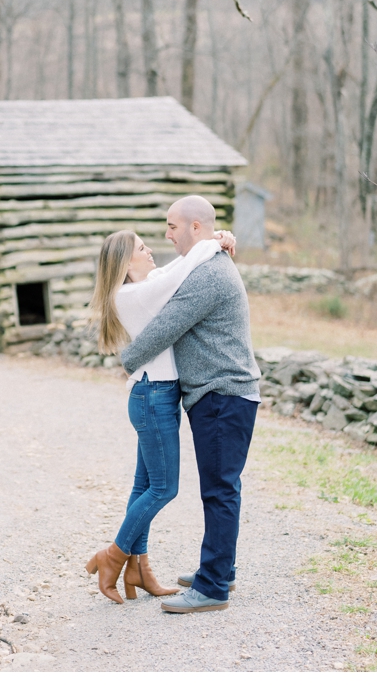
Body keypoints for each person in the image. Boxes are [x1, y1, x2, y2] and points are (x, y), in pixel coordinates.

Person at [118, 195, 262, 614]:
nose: (166, 234)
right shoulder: (206, 262)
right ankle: (219, 570)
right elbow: (166, 280)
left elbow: (166, 324)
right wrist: (220, 239)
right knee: (221, 488)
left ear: (195, 228)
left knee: (219, 491)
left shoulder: (209, 275)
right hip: (219, 394)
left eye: (172, 226)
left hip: (222, 394)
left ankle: (214, 586)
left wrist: (125, 358)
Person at [85, 224, 235, 603]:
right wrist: (213, 242)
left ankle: (139, 568)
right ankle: (113, 556)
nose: (150, 250)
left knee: (143, 486)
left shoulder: (142, 287)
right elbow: (180, 273)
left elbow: (172, 271)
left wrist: (216, 238)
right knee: (164, 488)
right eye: (141, 247)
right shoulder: (132, 295)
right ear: (124, 262)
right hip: (153, 396)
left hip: (155, 394)